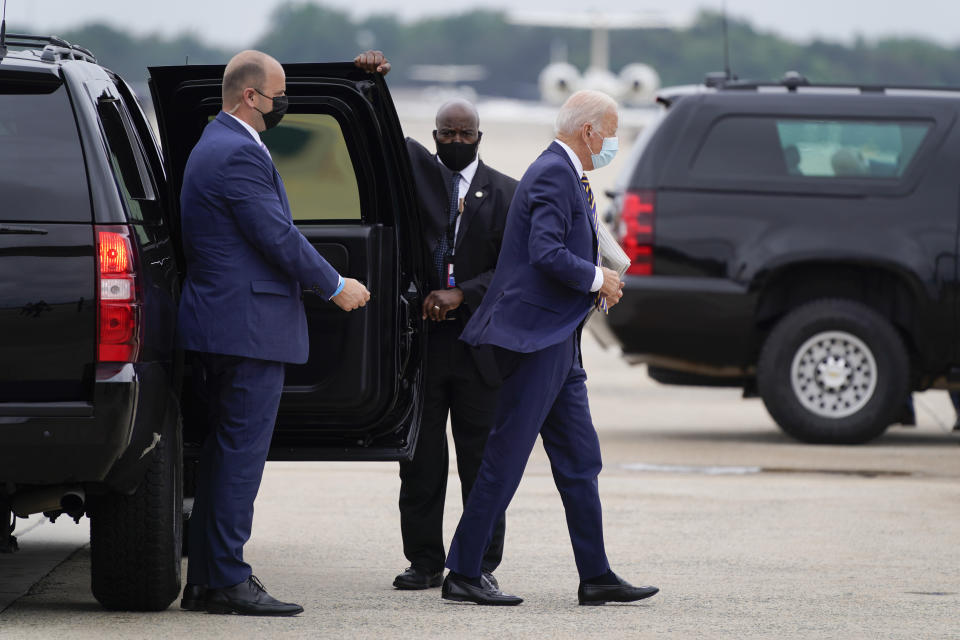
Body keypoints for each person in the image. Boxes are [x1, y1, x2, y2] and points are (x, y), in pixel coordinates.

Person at [177, 49, 385, 616]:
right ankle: (225, 579)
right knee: (239, 457)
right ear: (250, 96)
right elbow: (275, 235)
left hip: (227, 324)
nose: (282, 103)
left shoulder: (217, 144)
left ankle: (207, 579)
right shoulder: (236, 153)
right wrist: (334, 282)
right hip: (244, 328)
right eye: (278, 93)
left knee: (225, 455)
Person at [441, 90, 659, 606]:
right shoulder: (552, 174)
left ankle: (596, 574)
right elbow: (545, 252)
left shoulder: (567, 175)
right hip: (536, 342)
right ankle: (463, 572)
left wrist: (601, 272)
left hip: (561, 342)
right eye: (610, 130)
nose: (612, 142)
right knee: (506, 457)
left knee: (581, 460)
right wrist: (597, 280)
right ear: (589, 132)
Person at [393, 100, 517, 591]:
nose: (457, 142)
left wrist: (463, 293)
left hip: (479, 348)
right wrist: (373, 80)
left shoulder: (506, 193)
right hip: (423, 349)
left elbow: (513, 269)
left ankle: (479, 561)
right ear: (435, 135)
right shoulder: (413, 185)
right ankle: (423, 561)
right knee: (420, 462)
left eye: (466, 134)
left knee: (481, 461)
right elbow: (389, 142)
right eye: (448, 134)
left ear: (480, 137)